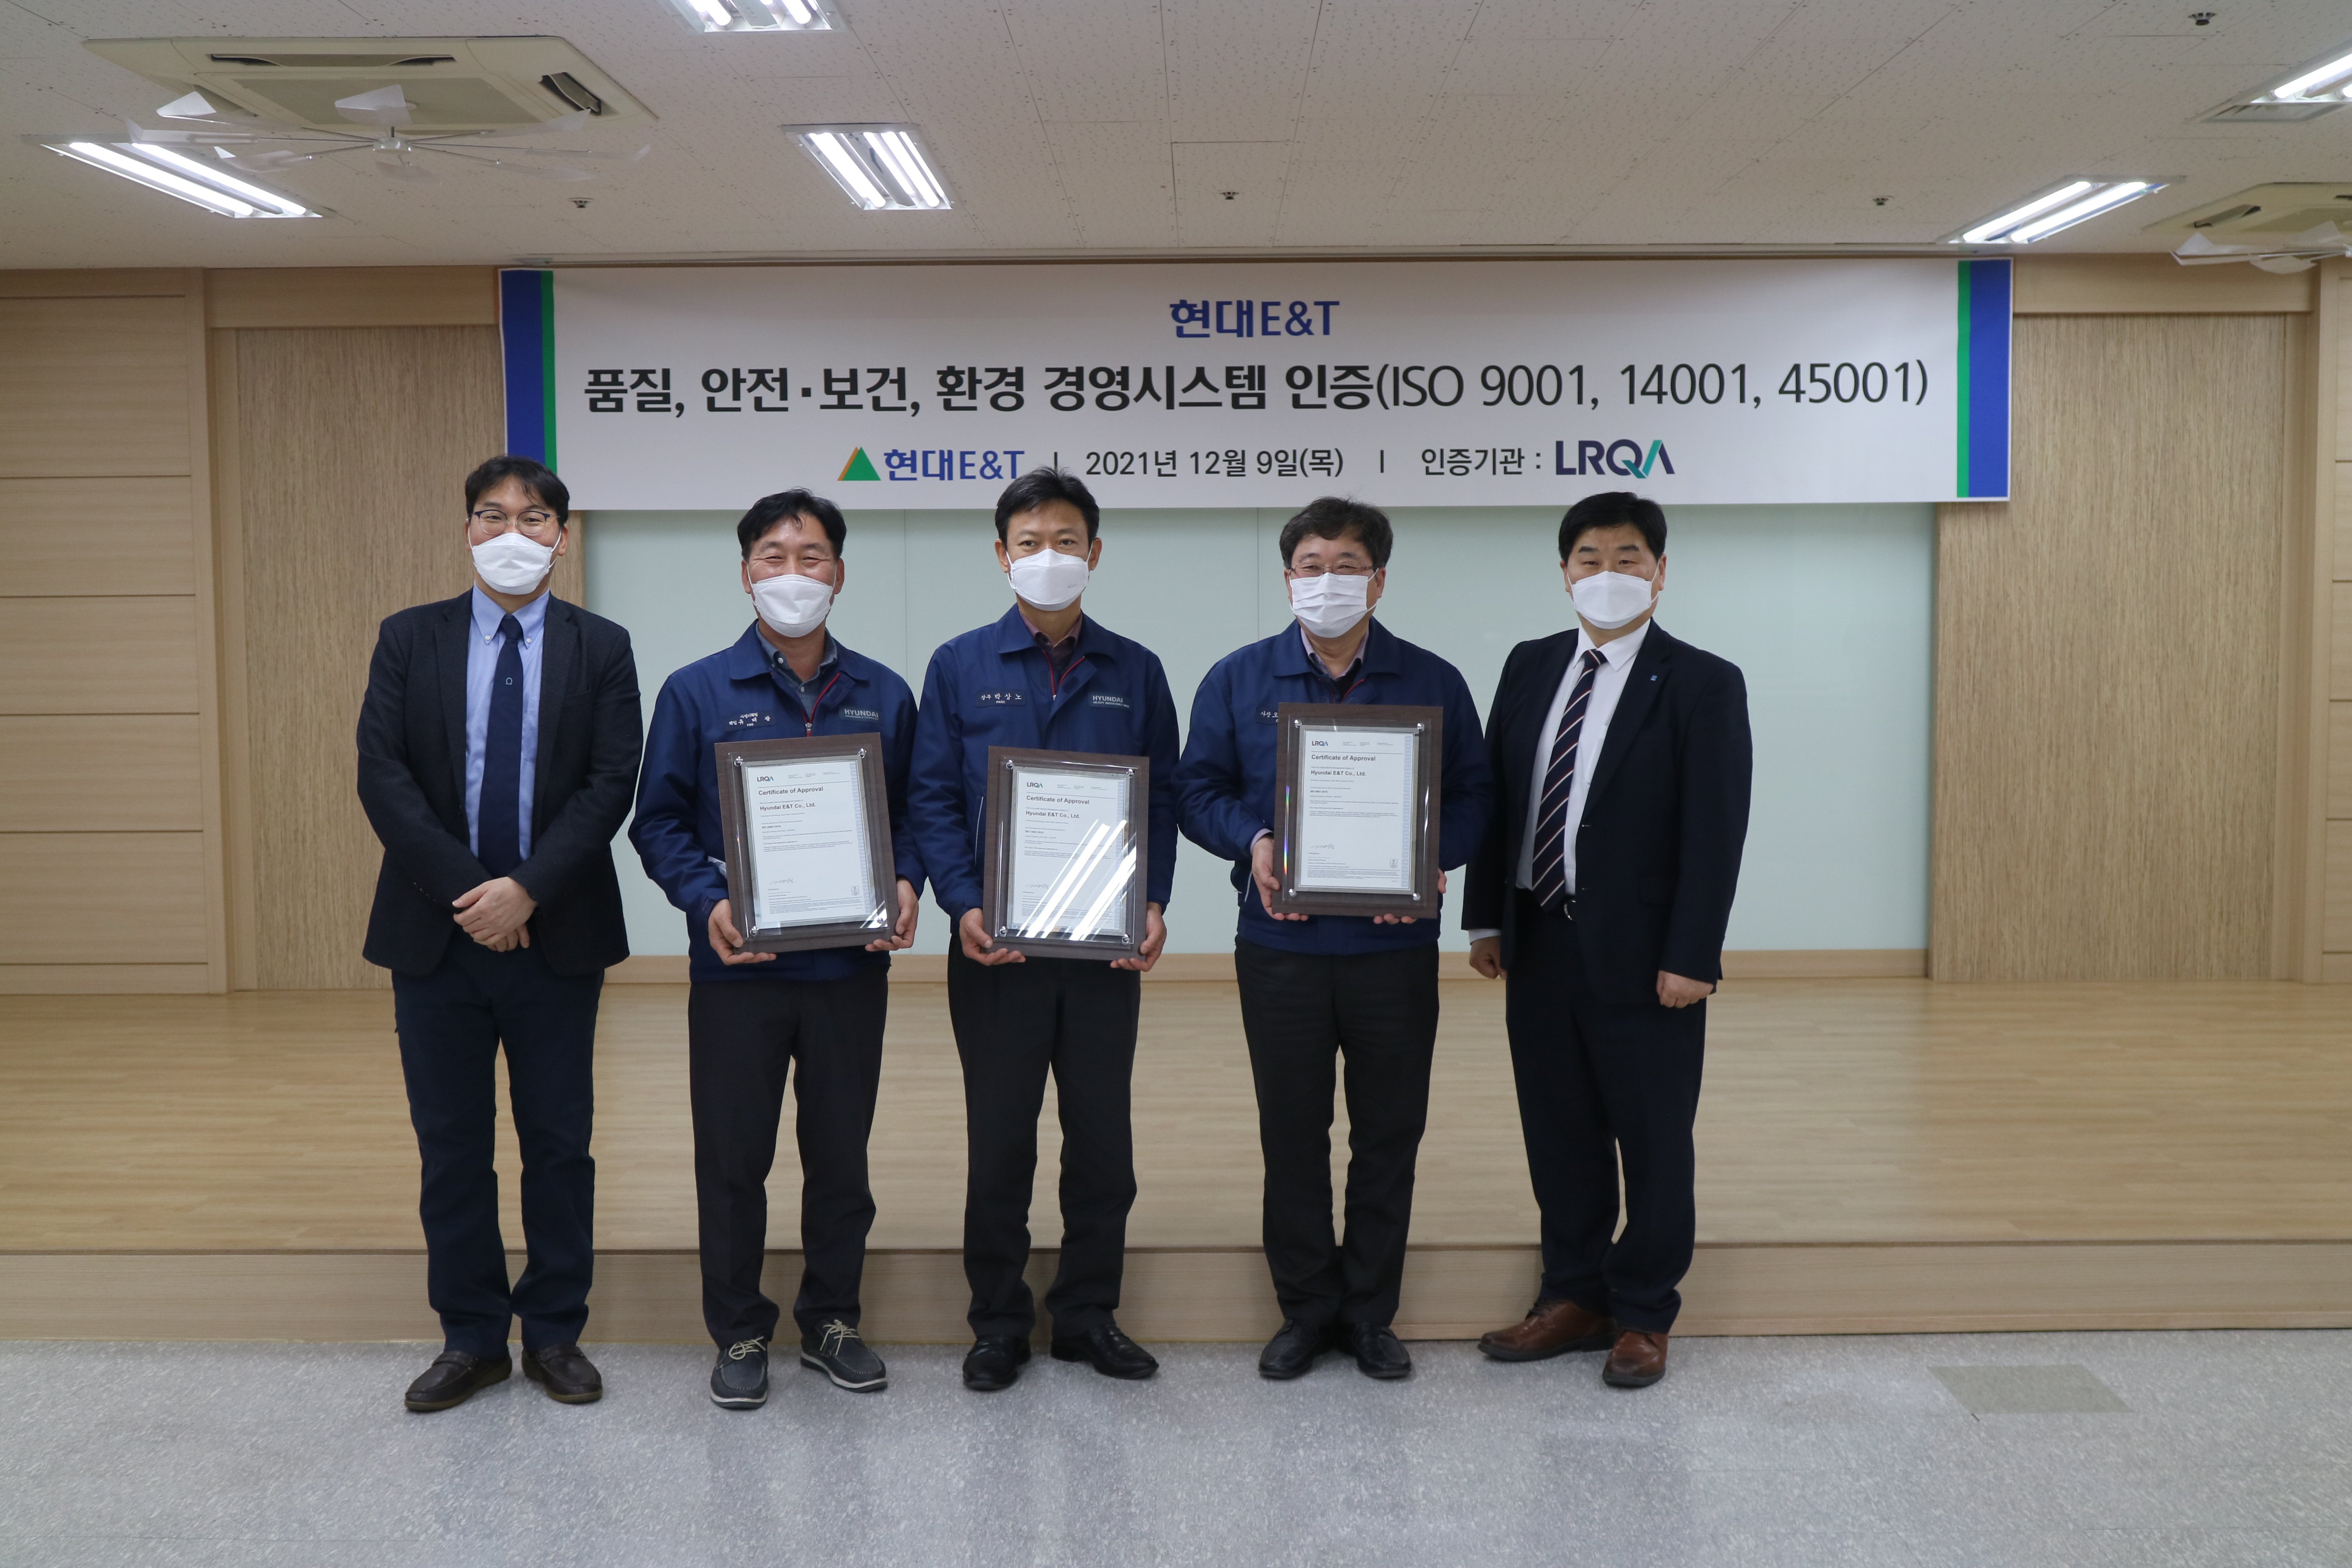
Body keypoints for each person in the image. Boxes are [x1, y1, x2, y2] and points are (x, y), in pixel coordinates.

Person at [1174, 496, 1493, 1382]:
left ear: (1378, 581)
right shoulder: (1238, 679)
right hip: (1282, 948)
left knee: (1389, 1133)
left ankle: (1369, 1313)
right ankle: (1307, 1309)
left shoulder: (1433, 680)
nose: (1328, 582)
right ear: (1288, 580)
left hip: (1393, 952)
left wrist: (1430, 858)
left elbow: (1476, 797)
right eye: (1311, 566)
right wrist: (1253, 840)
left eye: (1347, 566)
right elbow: (1196, 790)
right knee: (1293, 1133)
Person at [356, 454, 642, 1412]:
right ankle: (472, 1337)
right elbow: (383, 774)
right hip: (435, 936)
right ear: (467, 530)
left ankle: (555, 1331)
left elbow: (610, 782)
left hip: (558, 934)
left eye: (533, 517)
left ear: (561, 537)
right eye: (492, 515)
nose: (511, 533)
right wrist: (474, 895)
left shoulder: (603, 646)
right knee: (452, 1146)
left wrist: (525, 891)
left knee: (558, 1143)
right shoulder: (410, 637)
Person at [629, 489, 922, 1410]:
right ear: (746, 572)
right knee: (733, 1158)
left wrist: (907, 879)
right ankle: (740, 1329)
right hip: (737, 970)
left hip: (848, 969)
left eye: (811, 556)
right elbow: (657, 822)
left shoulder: (885, 693)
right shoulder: (697, 690)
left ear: (839, 573)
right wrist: (709, 900)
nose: (792, 574)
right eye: (773, 556)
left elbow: (917, 811)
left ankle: (833, 1318)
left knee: (841, 1156)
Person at [1463, 490, 1751, 1389]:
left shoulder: (1703, 681)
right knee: (1559, 1130)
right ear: (1565, 573)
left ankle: (1645, 1310)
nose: (1609, 573)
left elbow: (1716, 829)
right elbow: (1498, 795)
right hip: (1539, 938)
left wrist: (1693, 954)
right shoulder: (1529, 663)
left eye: (1629, 557)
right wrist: (1485, 916)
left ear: (1661, 573)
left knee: (1654, 1136)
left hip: (1647, 953)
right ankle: (1574, 1294)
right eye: (1590, 557)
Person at [906, 467, 1178, 1392]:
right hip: (998, 947)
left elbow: (1161, 799)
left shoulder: (1135, 669)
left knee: (1103, 1140)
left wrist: (1152, 900)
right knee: (1001, 1140)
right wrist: (962, 903)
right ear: (1001, 555)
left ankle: (1089, 1314)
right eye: (1030, 543)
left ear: (1094, 553)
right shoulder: (959, 664)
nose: (1048, 557)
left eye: (1066, 541)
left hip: (1103, 949)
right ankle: (997, 1322)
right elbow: (933, 798)